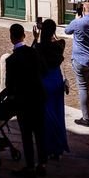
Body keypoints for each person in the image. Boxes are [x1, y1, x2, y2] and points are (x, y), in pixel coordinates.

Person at [6, 23, 47, 178]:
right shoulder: (34, 52)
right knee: (40, 132)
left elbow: (9, 86)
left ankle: (30, 166)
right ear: (24, 35)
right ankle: (42, 163)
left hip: (23, 102)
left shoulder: (11, 60)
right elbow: (43, 70)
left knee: (26, 134)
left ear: (12, 38)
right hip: (38, 97)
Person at [33, 19, 69, 159]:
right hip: (56, 81)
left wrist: (36, 38)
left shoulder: (39, 48)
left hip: (44, 82)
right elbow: (57, 41)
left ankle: (47, 148)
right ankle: (58, 148)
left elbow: (33, 54)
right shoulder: (60, 45)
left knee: (45, 117)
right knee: (58, 114)